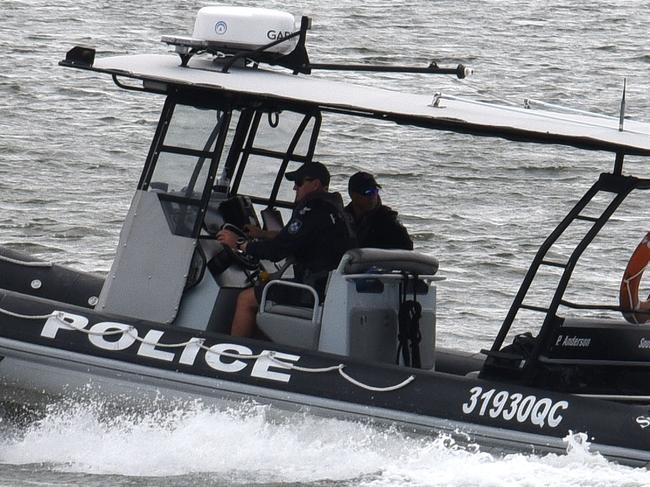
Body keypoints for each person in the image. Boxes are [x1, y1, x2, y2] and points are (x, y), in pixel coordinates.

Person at [217, 161, 353, 337]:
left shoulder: (311, 209)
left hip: (312, 291)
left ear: (315, 184)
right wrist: (263, 234)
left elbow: (276, 251)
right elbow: (295, 238)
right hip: (326, 287)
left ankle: (233, 354)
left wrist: (239, 244)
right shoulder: (334, 209)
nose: (295, 188)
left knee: (246, 299)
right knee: (264, 289)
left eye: (299, 183)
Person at [345, 171, 413, 250]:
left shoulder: (388, 220)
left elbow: (407, 248)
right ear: (353, 195)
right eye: (367, 192)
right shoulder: (342, 219)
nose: (372, 197)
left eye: (375, 191)